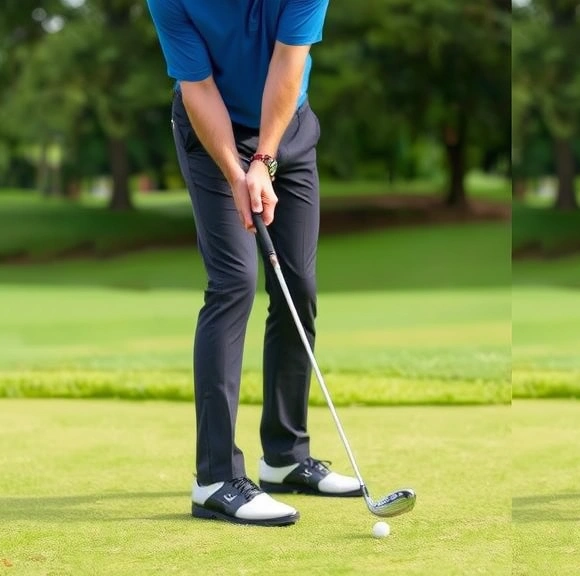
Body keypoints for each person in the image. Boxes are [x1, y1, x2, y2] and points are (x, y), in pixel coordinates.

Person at [148, 0, 360, 527]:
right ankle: (215, 478)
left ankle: (284, 458)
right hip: (210, 130)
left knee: (298, 285)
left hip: (287, 125)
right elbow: (197, 88)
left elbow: (289, 63)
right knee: (234, 283)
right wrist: (236, 171)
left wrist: (263, 160)